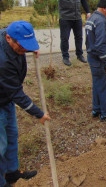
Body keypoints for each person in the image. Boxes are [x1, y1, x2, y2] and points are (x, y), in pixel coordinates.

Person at [0, 21, 51, 187]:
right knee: (0, 146)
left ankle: (12, 173)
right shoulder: (3, 61)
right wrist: (39, 114)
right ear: (9, 39)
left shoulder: (10, 36)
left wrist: (30, 48)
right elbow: (17, 94)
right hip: (4, 97)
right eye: (22, 48)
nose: (24, 51)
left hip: (6, 99)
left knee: (12, 136)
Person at [48, 0, 91, 66]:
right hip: (65, 17)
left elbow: (83, 0)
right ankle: (65, 57)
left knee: (79, 37)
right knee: (64, 38)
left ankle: (79, 55)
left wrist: (88, 11)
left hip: (77, 17)